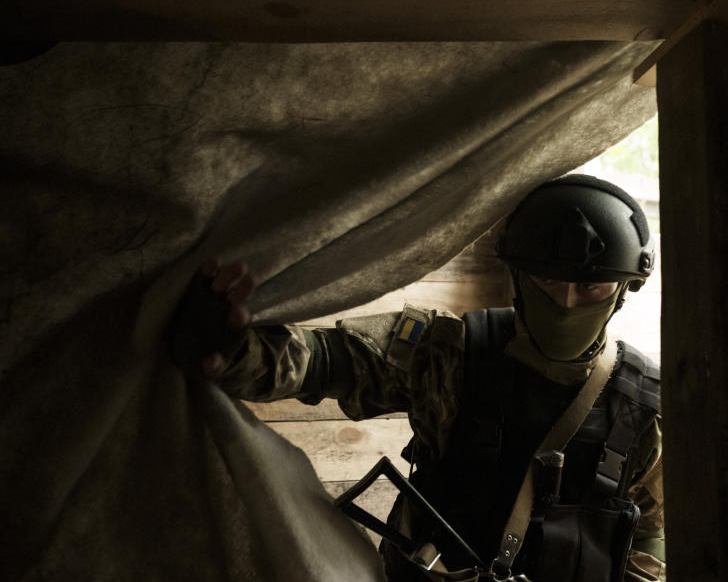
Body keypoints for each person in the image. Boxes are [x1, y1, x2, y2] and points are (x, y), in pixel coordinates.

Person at [169, 174, 665, 582]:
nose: (566, 304)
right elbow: (323, 361)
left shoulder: (645, 407)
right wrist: (234, 348)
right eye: (549, 282)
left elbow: (652, 537)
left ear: (624, 290)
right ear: (518, 276)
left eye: (592, 288)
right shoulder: (450, 351)